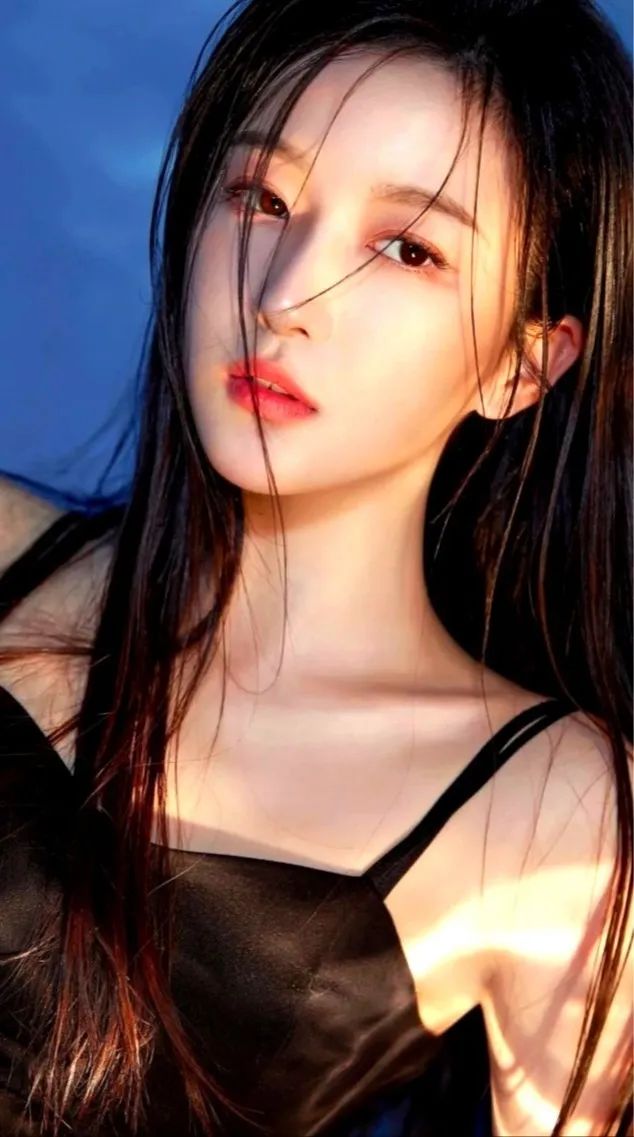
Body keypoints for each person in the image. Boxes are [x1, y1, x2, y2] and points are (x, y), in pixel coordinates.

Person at [0, 0, 631, 1134]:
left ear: (524, 366)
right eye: (261, 197)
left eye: (407, 249)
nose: (284, 296)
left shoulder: (556, 810)